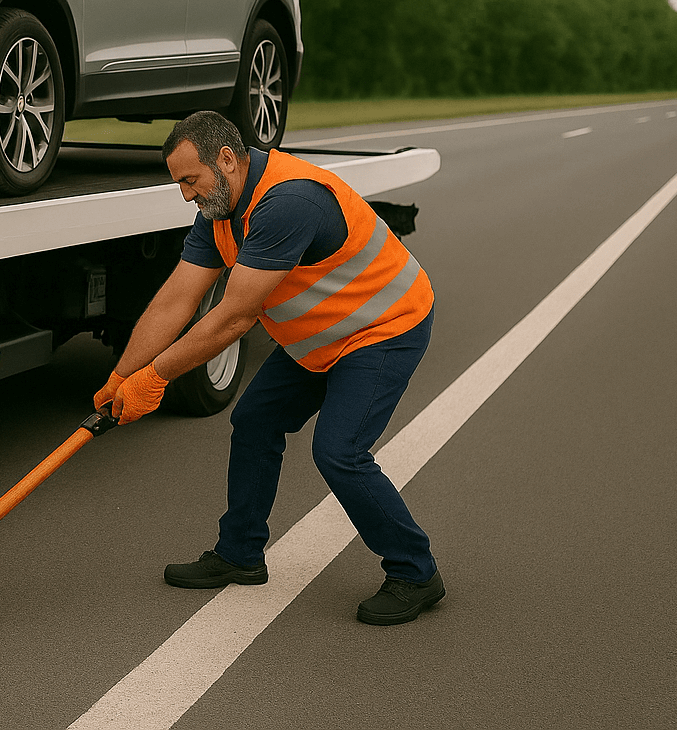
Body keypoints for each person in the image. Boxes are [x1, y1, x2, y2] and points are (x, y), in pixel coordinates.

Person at [96, 111, 443, 625]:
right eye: (179, 185)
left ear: (227, 160)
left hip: (382, 329)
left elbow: (233, 318)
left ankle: (416, 572)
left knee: (339, 451)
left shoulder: (288, 203)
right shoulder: (219, 208)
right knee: (254, 421)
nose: (186, 195)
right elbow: (177, 299)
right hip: (318, 337)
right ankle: (239, 553)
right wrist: (122, 374)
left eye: (189, 181)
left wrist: (157, 376)